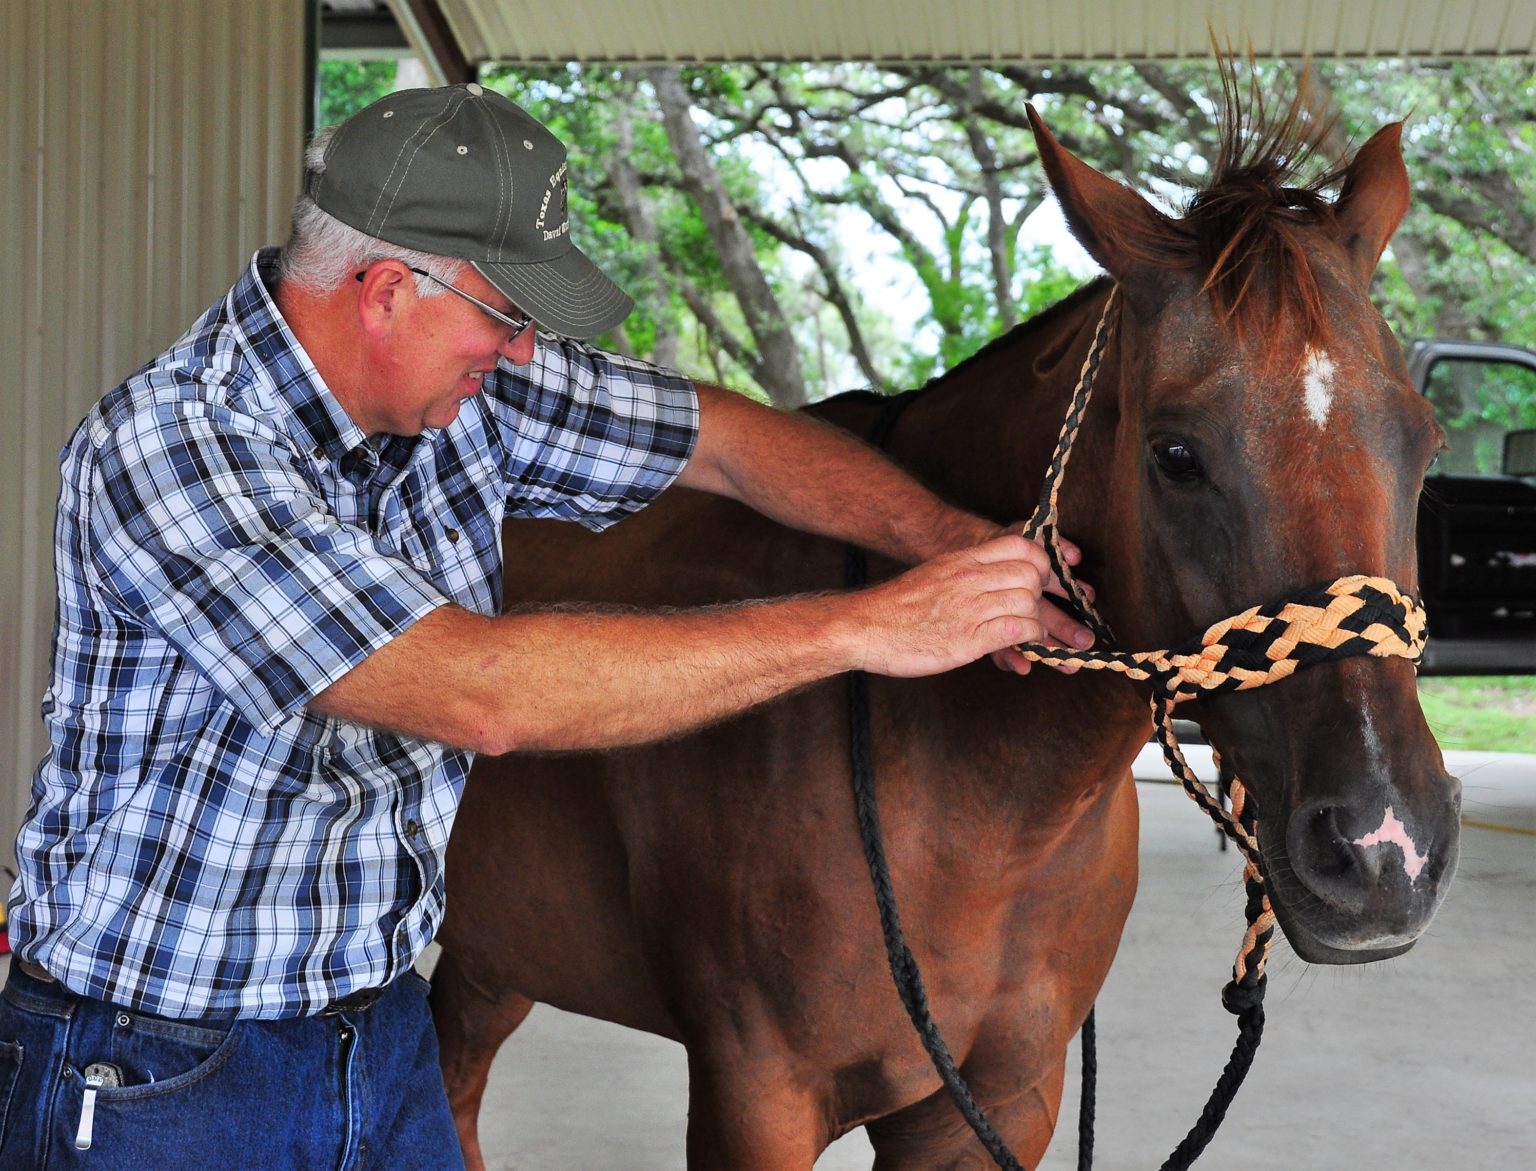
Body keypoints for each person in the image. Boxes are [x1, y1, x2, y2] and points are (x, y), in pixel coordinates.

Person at [0, 83, 1093, 1168]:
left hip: (373, 1025)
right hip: (160, 1063)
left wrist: (951, 543)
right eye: (507, 313)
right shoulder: (175, 447)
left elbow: (721, 443)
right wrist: (868, 628)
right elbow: (477, 691)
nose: (522, 350)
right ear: (387, 291)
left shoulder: (472, 390)